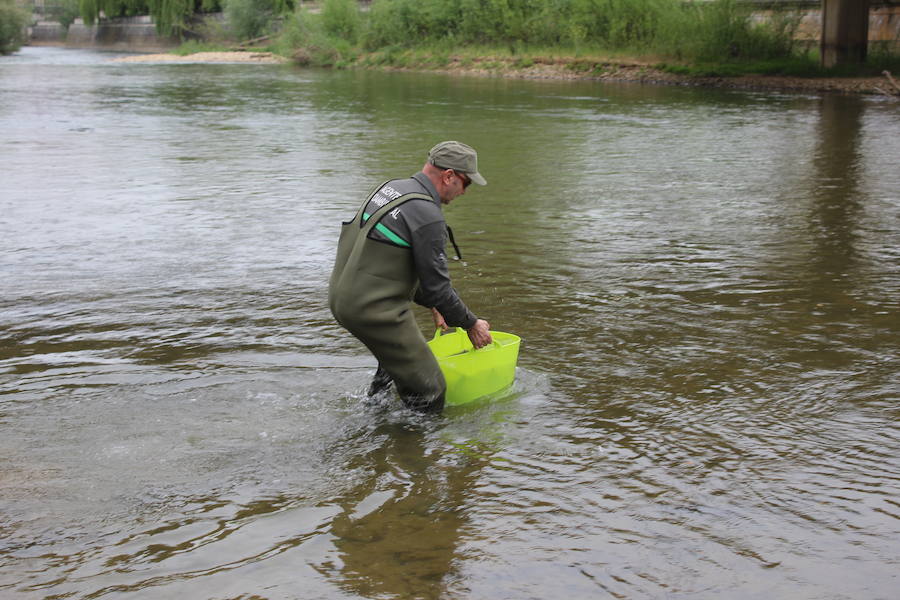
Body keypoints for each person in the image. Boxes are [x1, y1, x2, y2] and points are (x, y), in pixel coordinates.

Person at [329, 141, 492, 413]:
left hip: (342, 297)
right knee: (430, 389)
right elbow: (438, 288)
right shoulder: (428, 216)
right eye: (466, 183)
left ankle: (374, 418)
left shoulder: (391, 188)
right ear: (449, 175)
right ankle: (417, 451)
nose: (465, 191)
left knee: (397, 364)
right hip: (372, 310)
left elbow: (388, 261)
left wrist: (434, 303)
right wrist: (471, 324)